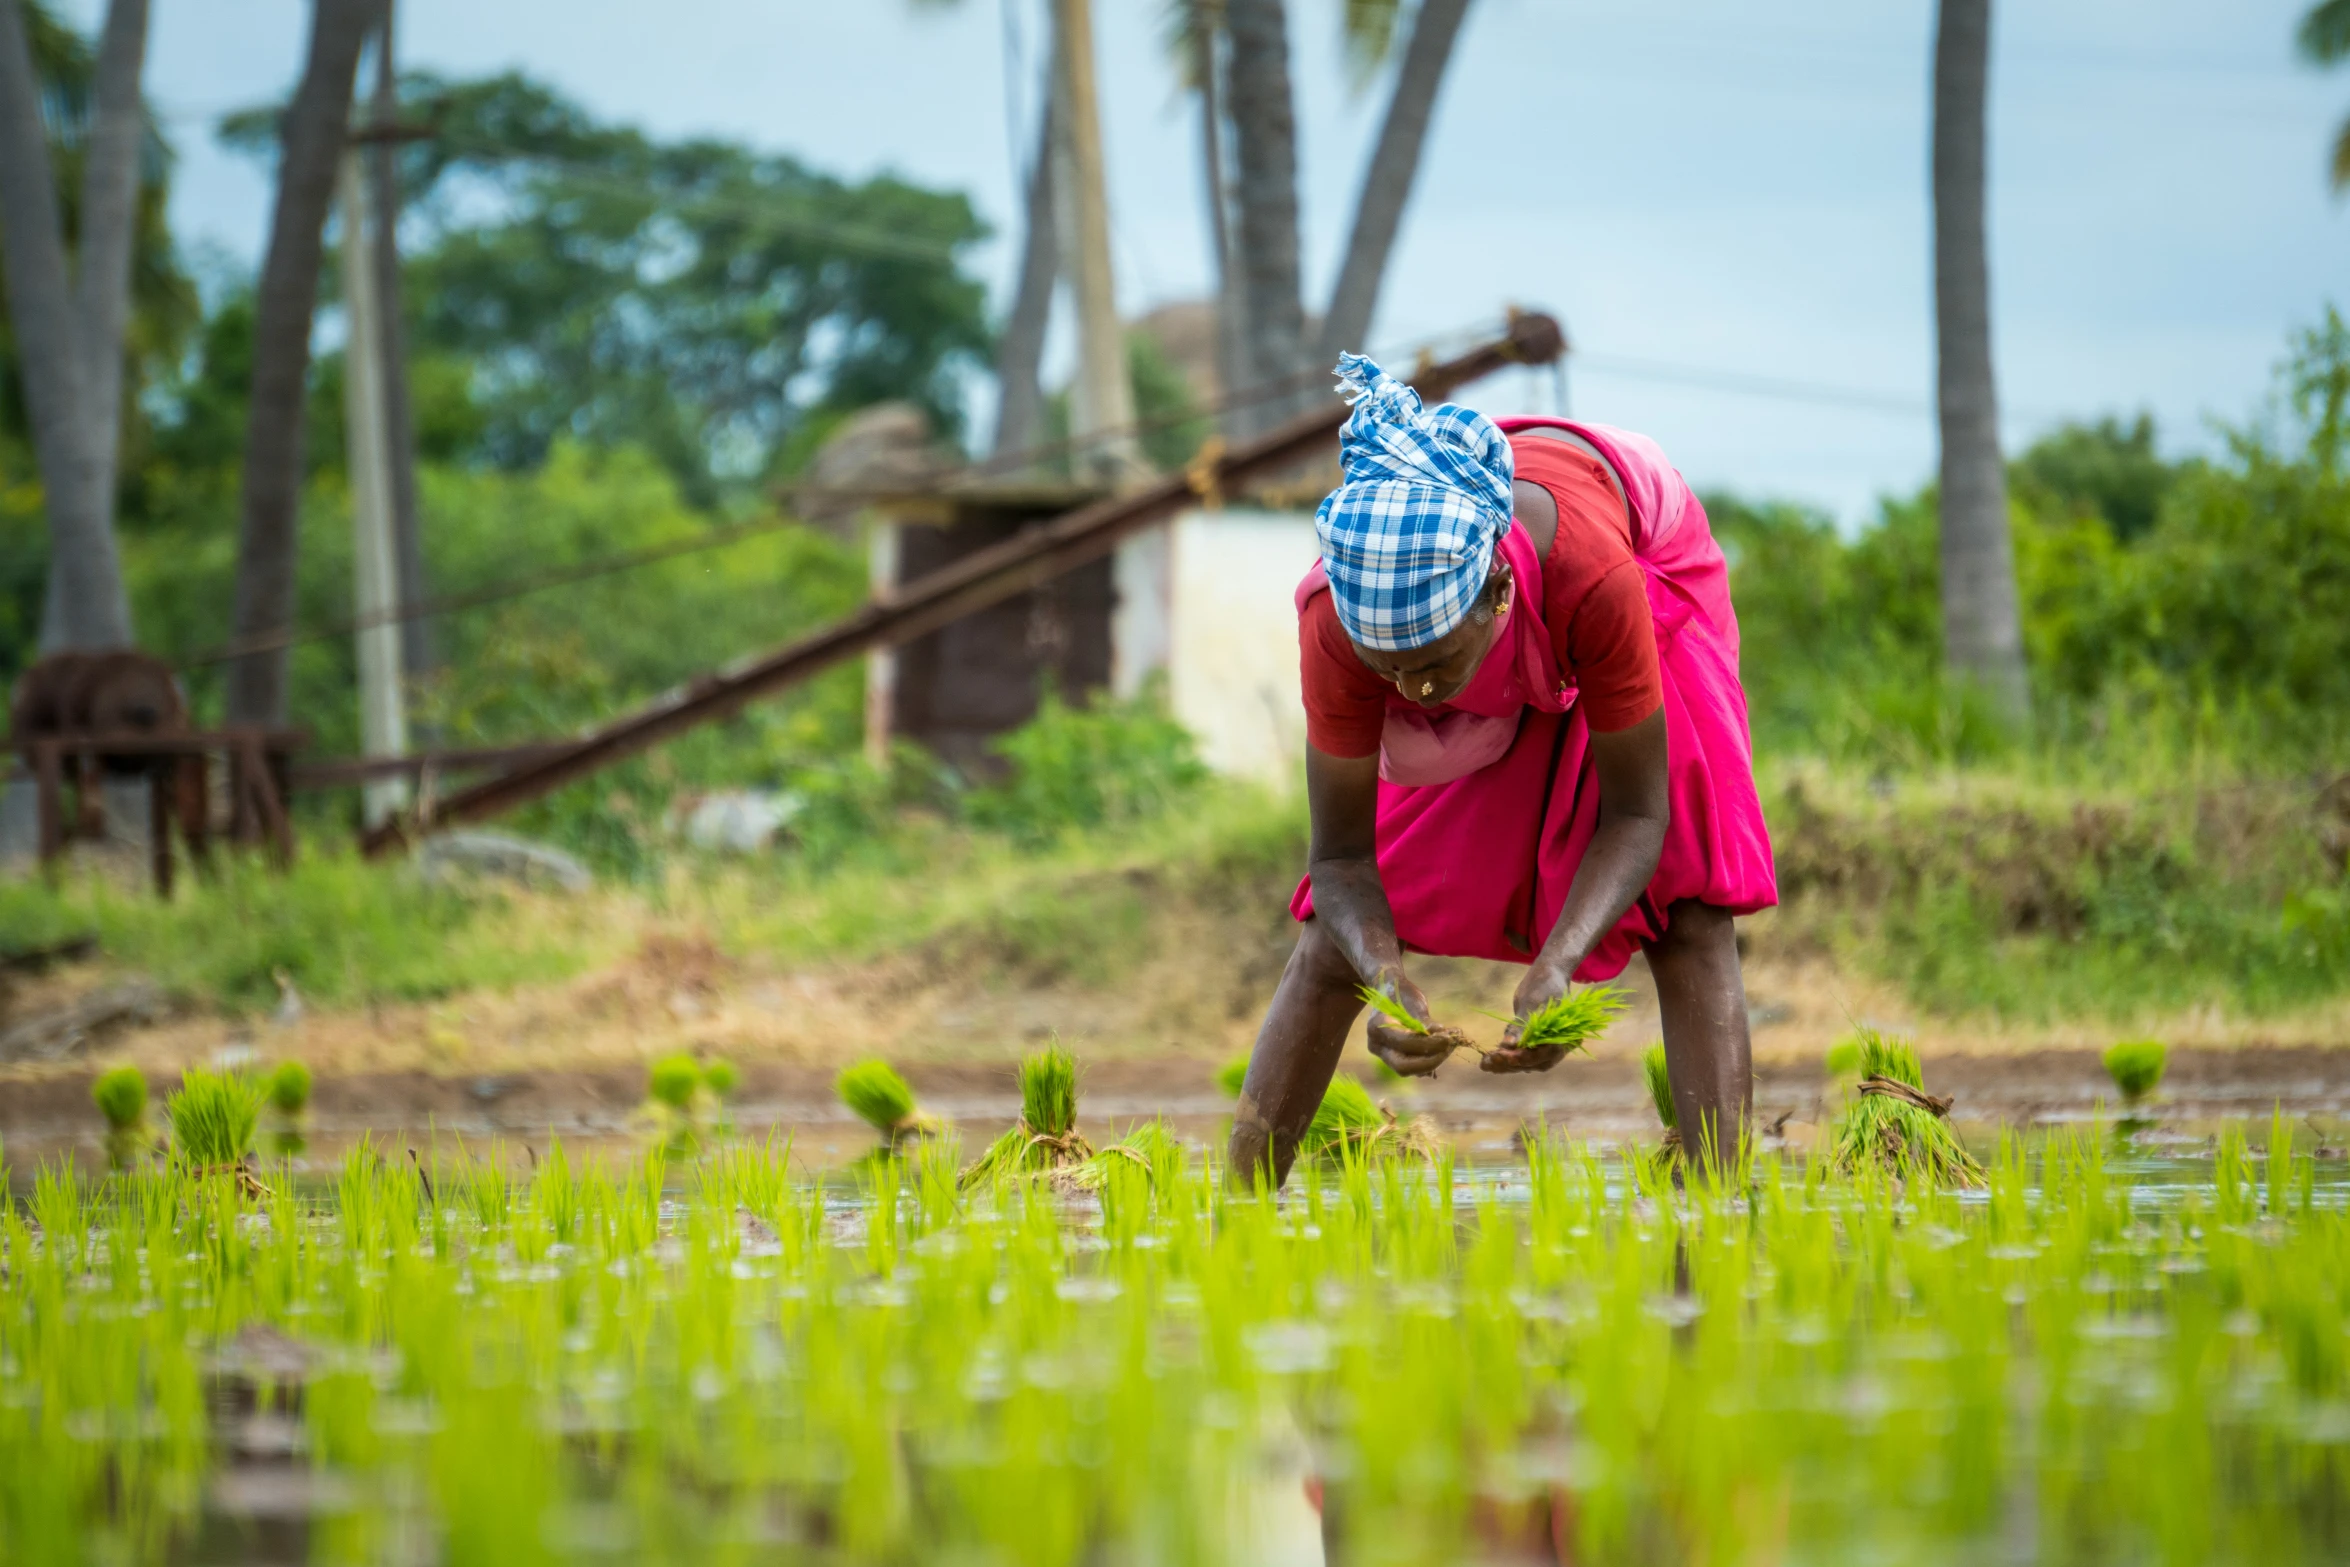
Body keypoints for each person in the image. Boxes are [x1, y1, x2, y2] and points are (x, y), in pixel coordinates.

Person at [1228, 355, 1778, 1187]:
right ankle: (1235, 1203)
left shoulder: (1594, 576)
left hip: (1643, 562)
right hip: (1522, 630)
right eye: (1389, 671)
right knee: (1332, 942)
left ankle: (1719, 1201)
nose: (1412, 692)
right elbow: (1340, 862)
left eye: (1433, 664)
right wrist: (1383, 976)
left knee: (1691, 902)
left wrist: (1560, 962)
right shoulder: (1337, 620)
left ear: (1493, 595)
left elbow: (1638, 813)